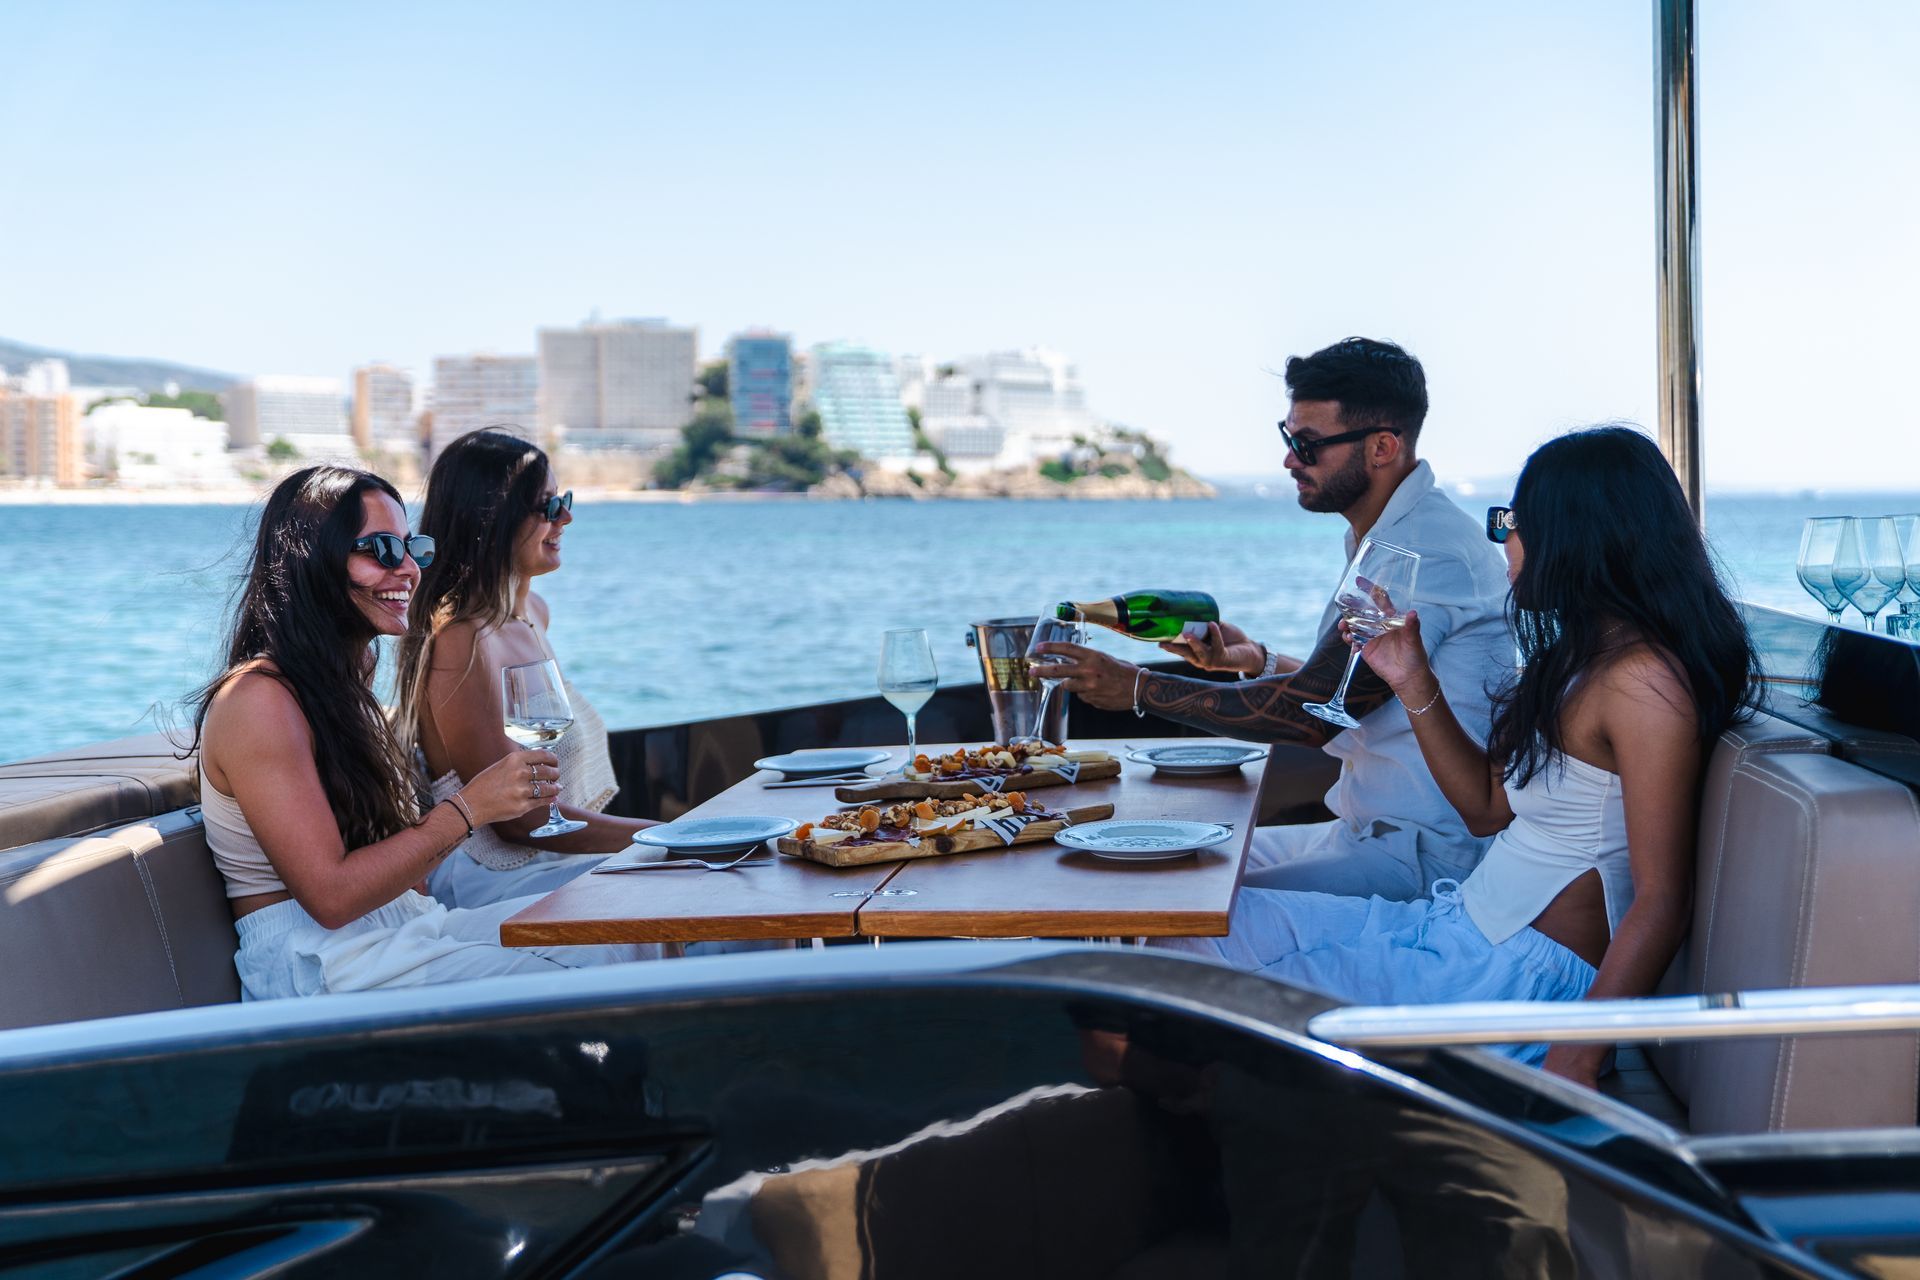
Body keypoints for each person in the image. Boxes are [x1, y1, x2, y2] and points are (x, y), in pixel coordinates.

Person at [1160, 426, 1757, 1084]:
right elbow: (1483, 808)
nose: (1503, 539)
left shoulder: (1643, 684)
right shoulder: (1580, 662)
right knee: (1180, 927)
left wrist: (1582, 1049)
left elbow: (1661, 899)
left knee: (1189, 946)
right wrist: (1412, 678)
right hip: (1454, 933)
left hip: (1512, 983)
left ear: (1576, 533)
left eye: (1514, 523)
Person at [1040, 337, 1512, 900]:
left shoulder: (1424, 551)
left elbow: (1313, 717)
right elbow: (1354, 687)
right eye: (1289, 438)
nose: (1289, 459)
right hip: (1368, 832)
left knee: (1175, 912)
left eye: (1309, 445)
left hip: (1424, 857)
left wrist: (1138, 688)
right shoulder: (1388, 533)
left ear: (1382, 447)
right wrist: (1257, 661)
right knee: (1134, 868)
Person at [194, 465, 654, 1000]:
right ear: (312, 560)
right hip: (321, 963)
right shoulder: (259, 701)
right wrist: (470, 810)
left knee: (633, 926)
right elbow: (332, 897)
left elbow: (396, 871)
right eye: (383, 550)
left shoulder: (343, 677)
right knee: (610, 967)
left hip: (404, 928)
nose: (410, 569)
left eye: (415, 549)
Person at [396, 429, 654, 908]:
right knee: (705, 875)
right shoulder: (461, 639)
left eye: (565, 501)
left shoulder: (534, 611)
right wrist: (668, 835)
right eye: (549, 507)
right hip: (491, 875)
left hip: (547, 861)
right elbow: (520, 822)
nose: (567, 518)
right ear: (492, 520)